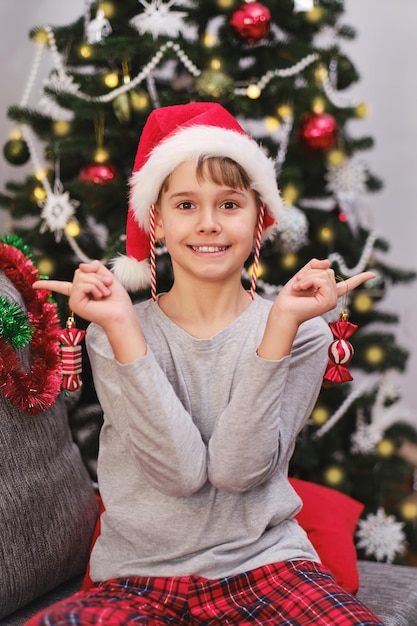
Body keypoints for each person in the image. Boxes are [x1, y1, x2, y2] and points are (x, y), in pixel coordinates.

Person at [29, 102, 383, 625]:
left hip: (269, 570)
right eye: (187, 205)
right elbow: (181, 473)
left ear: (260, 217)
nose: (210, 225)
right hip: (137, 578)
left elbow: (237, 472)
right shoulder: (114, 331)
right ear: (158, 221)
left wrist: (280, 326)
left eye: (230, 204)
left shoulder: (303, 330)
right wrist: (125, 329)